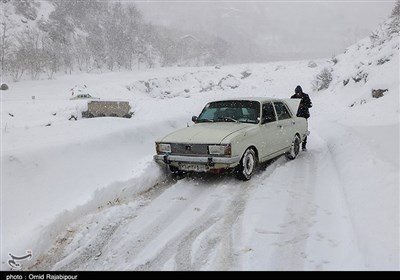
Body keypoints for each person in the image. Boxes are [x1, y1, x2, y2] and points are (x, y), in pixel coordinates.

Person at [291, 85, 312, 150]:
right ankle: (295, 146)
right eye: (297, 93)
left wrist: (303, 105)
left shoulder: (306, 96)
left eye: (299, 93)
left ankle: (304, 146)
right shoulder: (293, 97)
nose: (298, 94)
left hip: (304, 116)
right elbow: (290, 106)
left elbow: (310, 104)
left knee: (304, 131)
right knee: (295, 132)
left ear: (301, 92)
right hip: (296, 117)